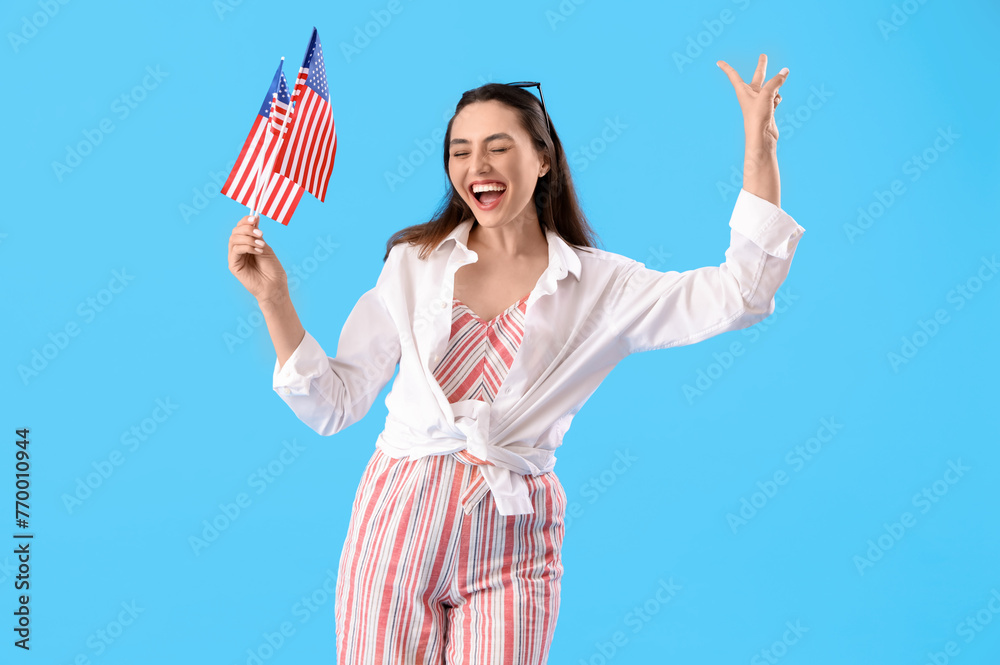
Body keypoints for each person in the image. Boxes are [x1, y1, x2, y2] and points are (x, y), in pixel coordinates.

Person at [227, 54, 805, 665]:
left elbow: (742, 293)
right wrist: (274, 298)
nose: (476, 166)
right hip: (396, 523)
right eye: (460, 151)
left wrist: (758, 152)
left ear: (544, 158)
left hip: (513, 534)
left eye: (498, 147)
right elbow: (333, 403)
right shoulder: (412, 264)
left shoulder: (602, 286)